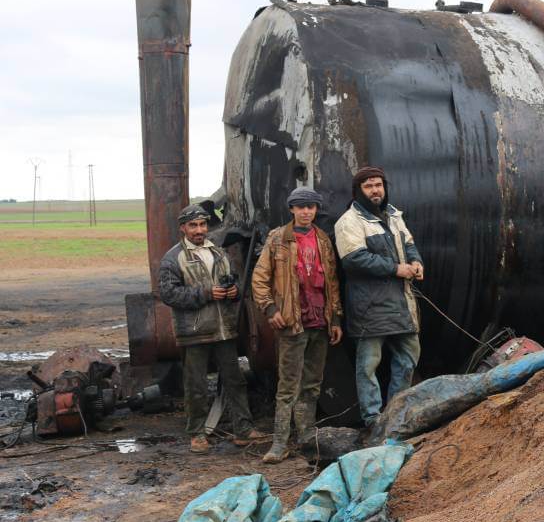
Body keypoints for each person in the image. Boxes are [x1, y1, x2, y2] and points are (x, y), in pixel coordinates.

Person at [158, 204, 266, 454]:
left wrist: (233, 292)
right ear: (183, 228)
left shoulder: (218, 253)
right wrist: (206, 293)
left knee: (235, 381)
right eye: (193, 225)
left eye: (203, 225)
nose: (199, 230)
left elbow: (236, 283)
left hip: (223, 329)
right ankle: (197, 434)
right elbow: (169, 293)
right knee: (195, 385)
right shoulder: (174, 257)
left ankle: (243, 430)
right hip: (195, 332)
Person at [251, 187, 343, 463]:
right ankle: (279, 445)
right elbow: (260, 278)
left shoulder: (324, 240)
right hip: (292, 321)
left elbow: (333, 283)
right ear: (291, 209)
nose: (306, 212)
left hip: (320, 321)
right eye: (301, 207)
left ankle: (306, 439)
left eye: (311, 207)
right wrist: (269, 309)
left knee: (312, 384)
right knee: (288, 385)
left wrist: (335, 318)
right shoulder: (278, 239)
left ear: (316, 210)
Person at [334, 166, 424, 427]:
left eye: (378, 185)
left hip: (400, 302)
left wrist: (416, 262)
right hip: (370, 306)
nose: (375, 190)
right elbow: (353, 259)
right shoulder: (349, 222)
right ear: (358, 191)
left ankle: (396, 413)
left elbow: (409, 244)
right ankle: (373, 419)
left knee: (408, 358)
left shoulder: (394, 215)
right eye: (369, 186)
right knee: (368, 366)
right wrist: (396, 268)